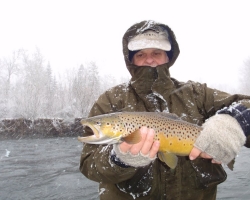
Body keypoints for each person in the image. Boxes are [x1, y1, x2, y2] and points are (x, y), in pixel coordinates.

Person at [79, 20, 250, 200]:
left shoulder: (197, 94)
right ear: (130, 60)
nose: (150, 59)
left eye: (156, 53)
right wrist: (118, 159)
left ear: (169, 57)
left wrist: (236, 121)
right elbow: (89, 165)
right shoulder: (111, 100)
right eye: (140, 54)